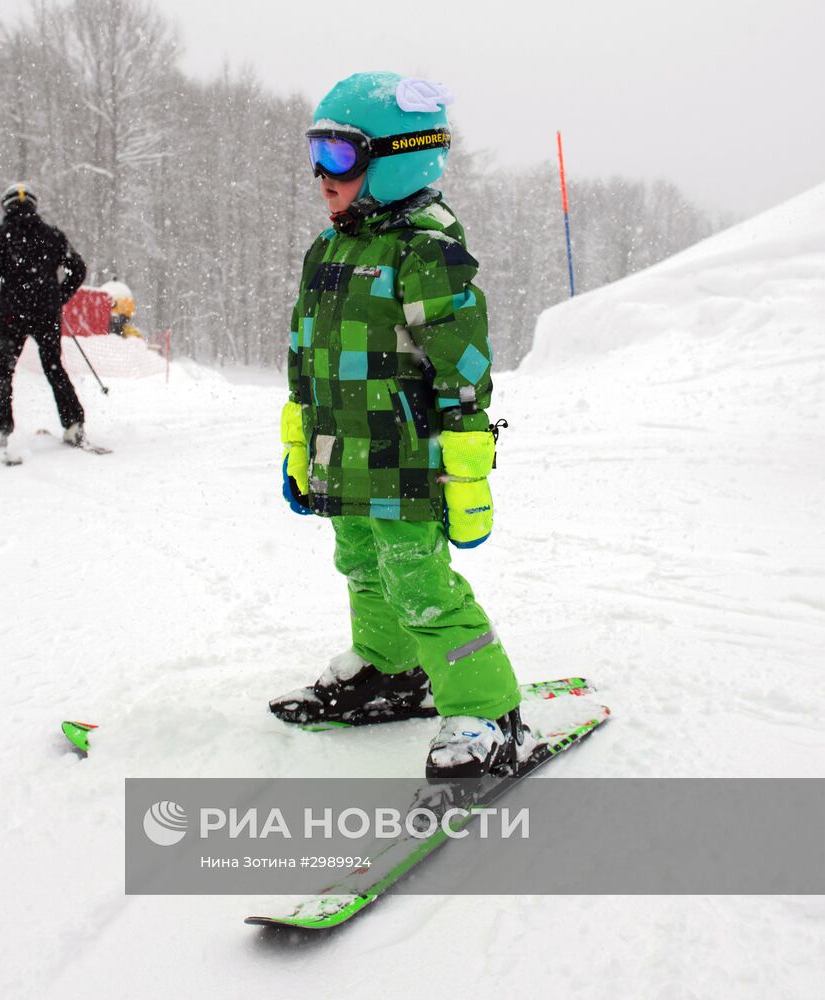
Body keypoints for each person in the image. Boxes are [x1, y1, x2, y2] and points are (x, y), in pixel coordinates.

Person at [269, 72, 533, 782]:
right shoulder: (328, 248)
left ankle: (487, 707)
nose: (321, 175)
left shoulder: (425, 248)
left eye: (338, 156)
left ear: (396, 159)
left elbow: (462, 360)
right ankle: (391, 672)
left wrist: (466, 456)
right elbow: (305, 355)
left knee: (416, 577)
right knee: (359, 563)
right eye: (315, 153)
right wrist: (299, 440)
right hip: (340, 448)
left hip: (405, 453)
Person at [0, 183, 89, 449]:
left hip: (12, 313)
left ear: (6, 207)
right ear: (33, 206)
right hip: (46, 311)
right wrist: (59, 295)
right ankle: (74, 424)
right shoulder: (52, 236)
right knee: (54, 368)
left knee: (3, 372)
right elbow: (77, 269)